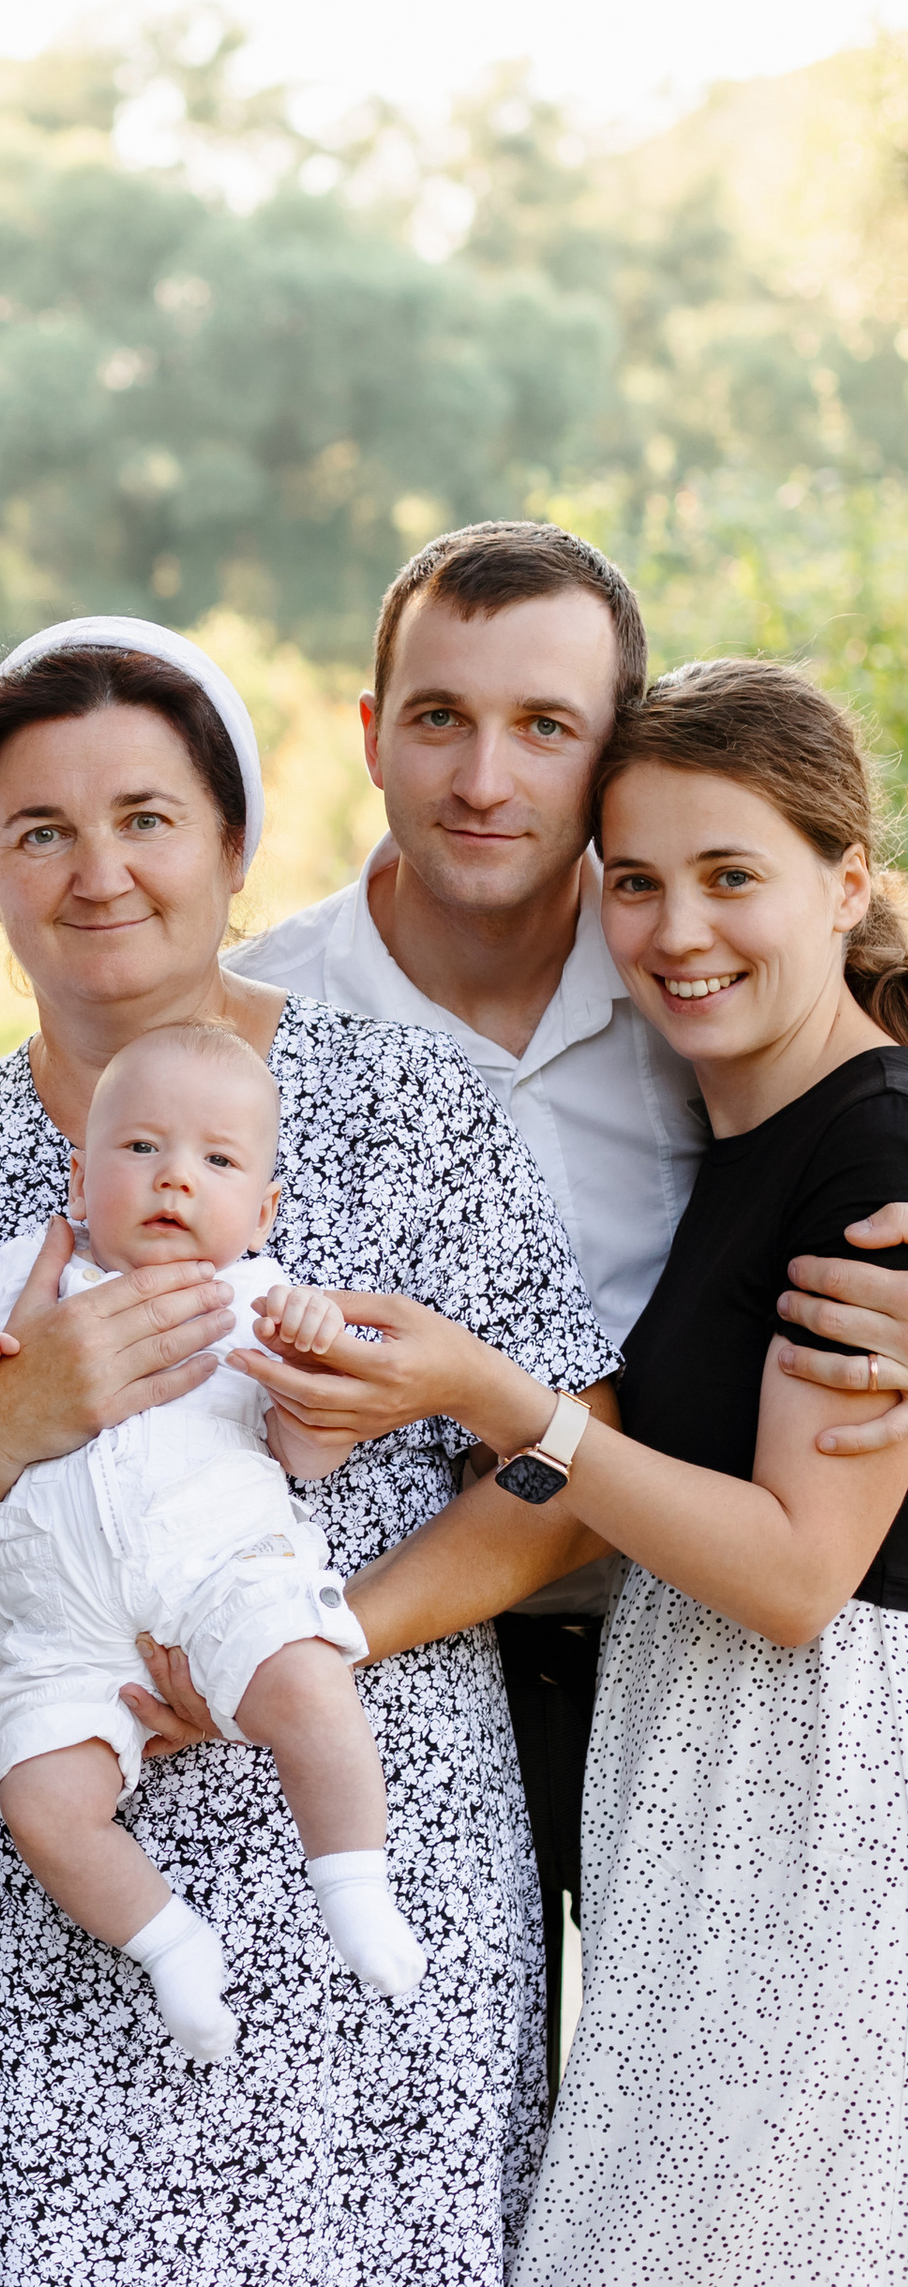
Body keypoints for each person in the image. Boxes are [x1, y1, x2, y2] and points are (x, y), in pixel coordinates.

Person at [0, 615, 617, 2284]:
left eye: (149, 819)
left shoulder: (416, 1112)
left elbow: (567, 1479)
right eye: (41, 830)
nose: (98, 872)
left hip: (358, 1894)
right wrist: (12, 1425)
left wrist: (308, 1642)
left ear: (236, 847)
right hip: (19, 1906)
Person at [226, 517, 908, 2069]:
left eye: (545, 727)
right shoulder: (261, 1024)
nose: (485, 778)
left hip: (723, 1703)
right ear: (371, 734)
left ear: (608, 752)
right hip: (398, 1692)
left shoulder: (709, 992)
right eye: (440, 718)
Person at [325, 660, 908, 2283]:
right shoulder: (751, 1135)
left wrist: (498, 1395)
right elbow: (645, 1487)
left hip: (812, 1830)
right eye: (637, 882)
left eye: (733, 877)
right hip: (699, 1825)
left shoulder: (872, 1160)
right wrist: (301, 1629)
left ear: (846, 883)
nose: (678, 929)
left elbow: (800, 1578)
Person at [0, 1019, 417, 2066]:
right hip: (58, 1622)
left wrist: (317, 1351)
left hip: (218, 1580)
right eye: (140, 1148)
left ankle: (355, 1883)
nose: (174, 1180)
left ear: (263, 1208)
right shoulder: (32, 1276)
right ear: (80, 1172)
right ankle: (170, 1943)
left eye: (217, 1160)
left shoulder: (255, 1299)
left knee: (312, 1690)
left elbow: (302, 1451)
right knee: (40, 1801)